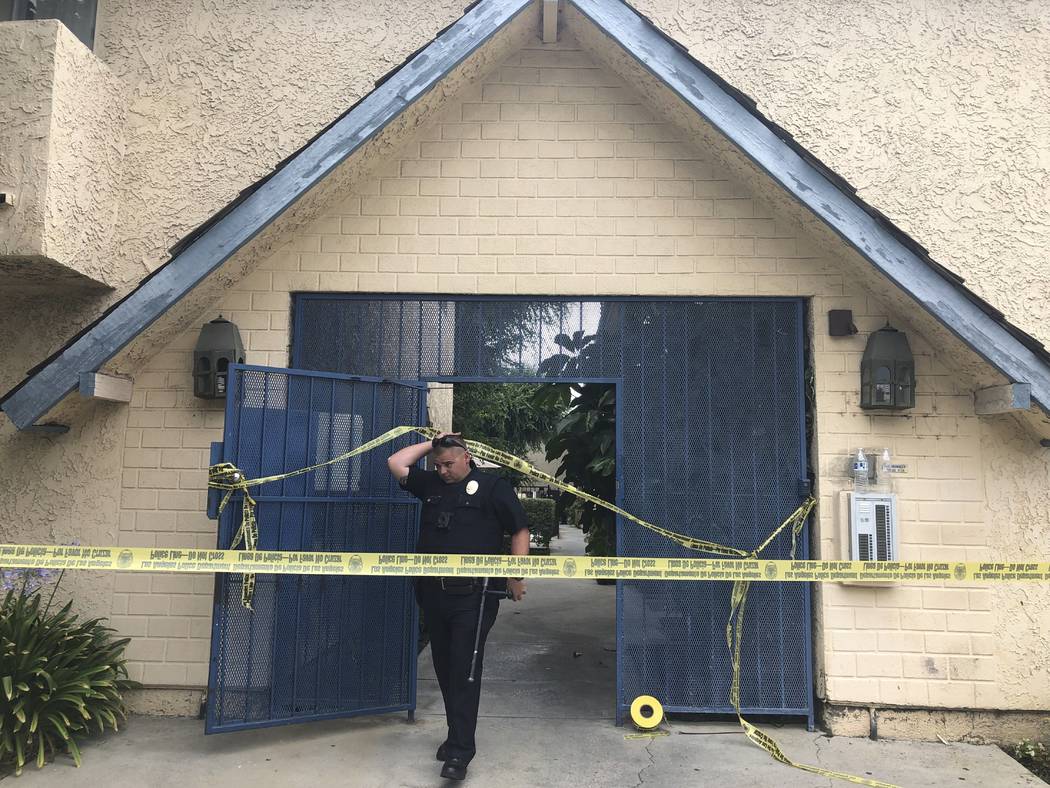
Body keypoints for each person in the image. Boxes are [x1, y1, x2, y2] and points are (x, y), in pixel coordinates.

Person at [387, 432, 529, 781]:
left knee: (464, 669)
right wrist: (430, 441)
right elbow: (396, 463)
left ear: (467, 457)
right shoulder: (431, 483)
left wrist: (516, 574)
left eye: (449, 463)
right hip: (434, 593)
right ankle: (455, 737)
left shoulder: (494, 487)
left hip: (474, 596)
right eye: (438, 465)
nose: (443, 470)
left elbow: (520, 530)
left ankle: (461, 753)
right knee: (445, 667)